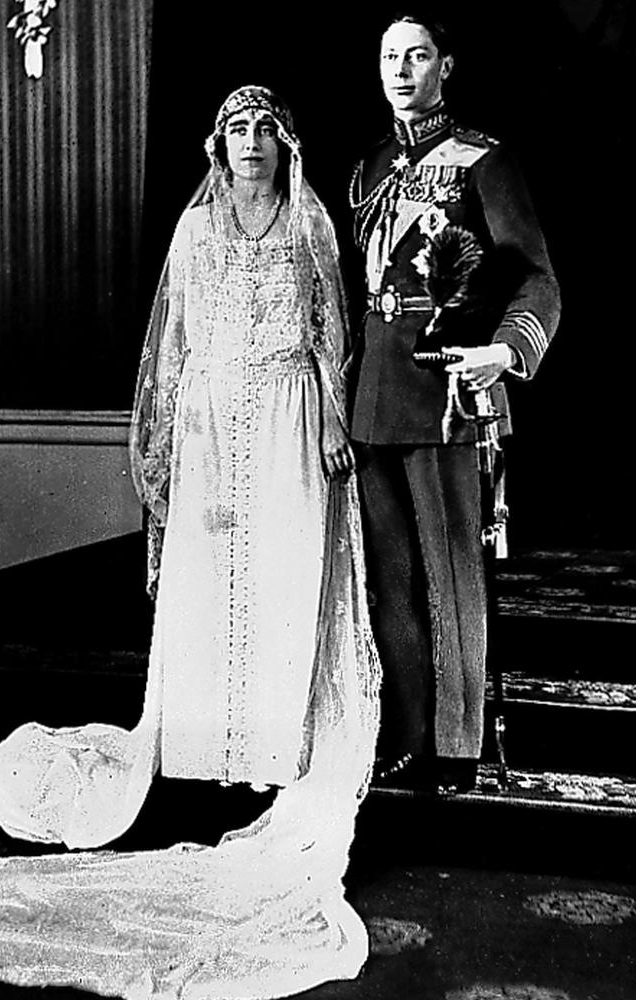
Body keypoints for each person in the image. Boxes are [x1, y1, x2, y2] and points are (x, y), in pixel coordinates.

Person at [0, 86, 381, 999]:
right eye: (237, 130)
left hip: (285, 421)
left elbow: (331, 333)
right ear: (218, 145)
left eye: (265, 131)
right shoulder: (193, 233)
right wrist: (166, 444)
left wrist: (329, 419)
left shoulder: (309, 225)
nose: (251, 144)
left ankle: (273, 748)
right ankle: (205, 747)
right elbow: (169, 348)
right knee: (212, 589)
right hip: (211, 428)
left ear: (286, 144)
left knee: (285, 585)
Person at [349, 12, 561, 791]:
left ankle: (457, 744)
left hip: (446, 393)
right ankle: (407, 733)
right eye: (389, 58)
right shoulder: (370, 169)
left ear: (447, 66)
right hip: (372, 399)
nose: (402, 70)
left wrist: (508, 349)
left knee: (451, 574)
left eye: (418, 56)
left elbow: (535, 273)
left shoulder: (484, 162)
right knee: (389, 576)